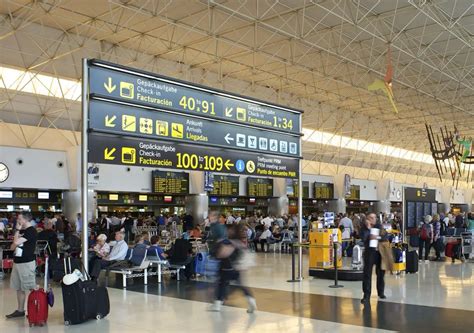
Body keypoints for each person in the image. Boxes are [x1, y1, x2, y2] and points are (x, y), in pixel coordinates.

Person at [209, 224, 257, 313]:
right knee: (241, 286)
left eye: (229, 230)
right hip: (236, 268)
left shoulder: (227, 242)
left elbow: (221, 254)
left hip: (225, 268)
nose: (227, 231)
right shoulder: (239, 242)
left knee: (221, 284)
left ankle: (217, 305)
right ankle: (251, 301)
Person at [6, 212, 38, 319]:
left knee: (30, 287)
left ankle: (35, 311)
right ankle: (20, 310)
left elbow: (15, 242)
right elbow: (12, 247)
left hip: (27, 263)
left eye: (19, 219)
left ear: (25, 220)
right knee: (19, 288)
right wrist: (17, 237)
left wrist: (17, 231)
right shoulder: (23, 232)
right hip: (17, 262)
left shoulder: (31, 231)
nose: (18, 221)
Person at [360, 213, 386, 304]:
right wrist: (368, 228)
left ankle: (381, 292)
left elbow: (384, 237)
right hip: (369, 253)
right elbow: (363, 238)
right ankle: (366, 295)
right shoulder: (364, 227)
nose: (373, 219)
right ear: (367, 219)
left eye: (375, 217)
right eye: (371, 218)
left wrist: (377, 237)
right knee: (367, 274)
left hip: (379, 253)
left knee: (381, 273)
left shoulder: (379, 226)